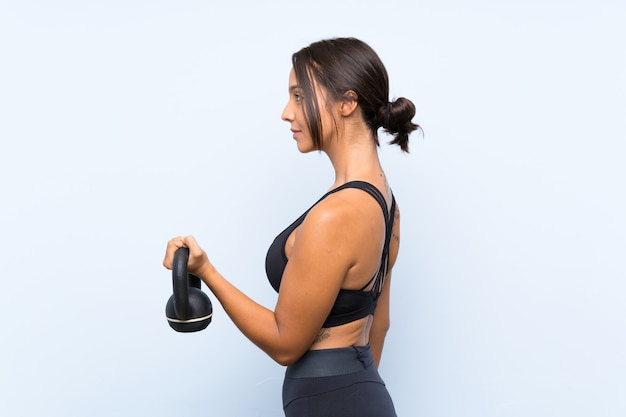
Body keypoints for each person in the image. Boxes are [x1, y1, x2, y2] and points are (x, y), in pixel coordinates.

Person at [163, 37, 419, 417]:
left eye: (299, 96)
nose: (286, 112)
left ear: (347, 103)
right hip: (354, 397)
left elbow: (285, 344)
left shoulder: (339, 214)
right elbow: (378, 327)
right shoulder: (386, 204)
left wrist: (206, 272)